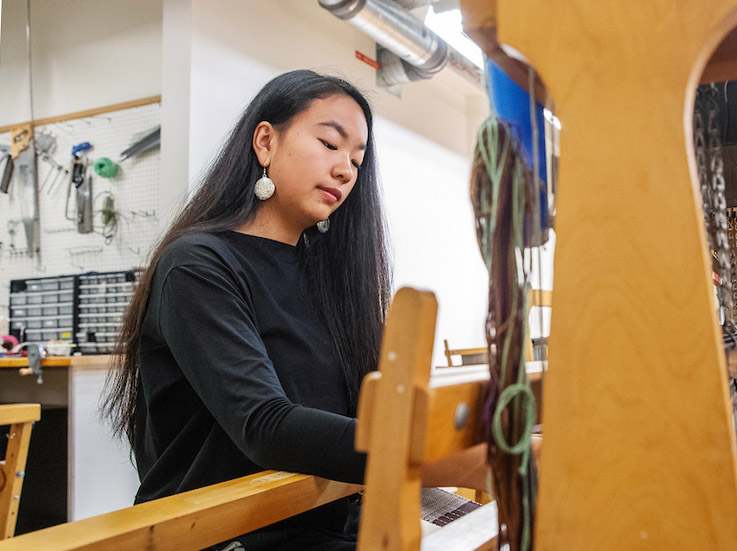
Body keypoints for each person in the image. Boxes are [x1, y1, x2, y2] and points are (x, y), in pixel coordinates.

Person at [102, 70, 487, 551]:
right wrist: (467, 461)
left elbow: (362, 415)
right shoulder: (197, 266)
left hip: (322, 518)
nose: (346, 169)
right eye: (330, 143)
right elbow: (266, 426)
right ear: (265, 142)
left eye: (357, 159)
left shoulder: (331, 281)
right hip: (227, 534)